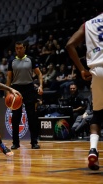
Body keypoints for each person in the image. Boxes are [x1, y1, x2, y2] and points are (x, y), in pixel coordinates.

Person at [65, 1, 103, 170]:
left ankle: (93, 150)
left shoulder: (88, 25)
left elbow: (69, 45)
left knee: (97, 115)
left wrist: (81, 69)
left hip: (97, 72)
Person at [6, 40, 43, 150]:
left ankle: (34, 142)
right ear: (15, 49)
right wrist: (7, 91)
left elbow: (39, 73)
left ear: (24, 48)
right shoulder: (11, 61)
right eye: (17, 48)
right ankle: (15, 143)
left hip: (29, 88)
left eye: (21, 48)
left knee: (32, 117)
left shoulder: (30, 59)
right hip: (16, 90)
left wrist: (41, 86)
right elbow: (8, 77)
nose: (19, 50)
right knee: (16, 118)